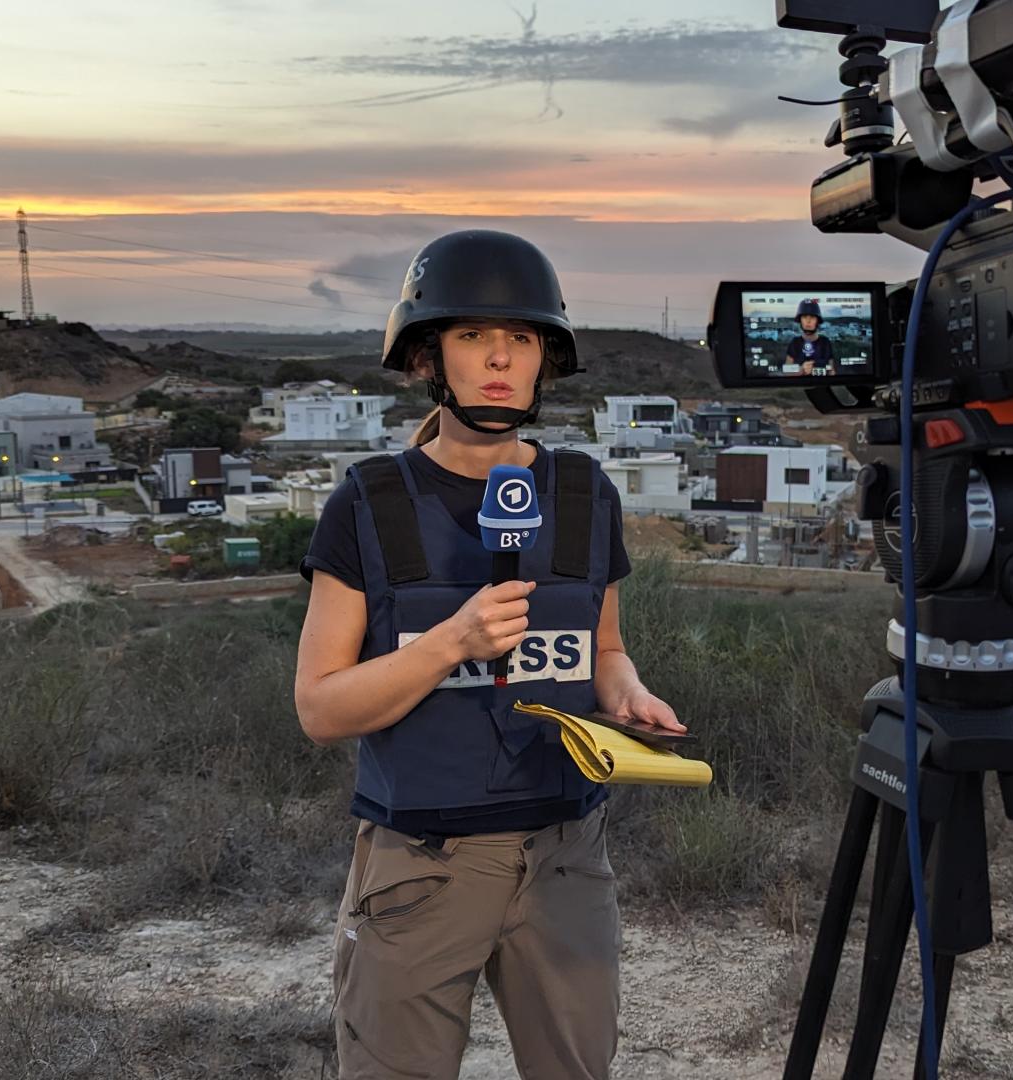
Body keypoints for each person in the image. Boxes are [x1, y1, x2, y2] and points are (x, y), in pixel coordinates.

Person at [293, 229, 685, 1080]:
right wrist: (452, 643)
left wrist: (627, 695)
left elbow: (604, 646)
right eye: (473, 336)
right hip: (423, 865)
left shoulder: (584, 493)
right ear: (431, 357)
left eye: (523, 338)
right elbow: (321, 707)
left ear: (549, 357)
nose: (500, 358)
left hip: (566, 852)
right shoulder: (372, 502)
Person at [784, 297, 835, 375]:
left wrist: (820, 371)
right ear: (800, 320)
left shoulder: (825, 342)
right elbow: (786, 371)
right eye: (804, 317)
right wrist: (801, 370)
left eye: (812, 317)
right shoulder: (795, 343)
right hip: (799, 386)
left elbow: (831, 370)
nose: (808, 321)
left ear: (817, 320)